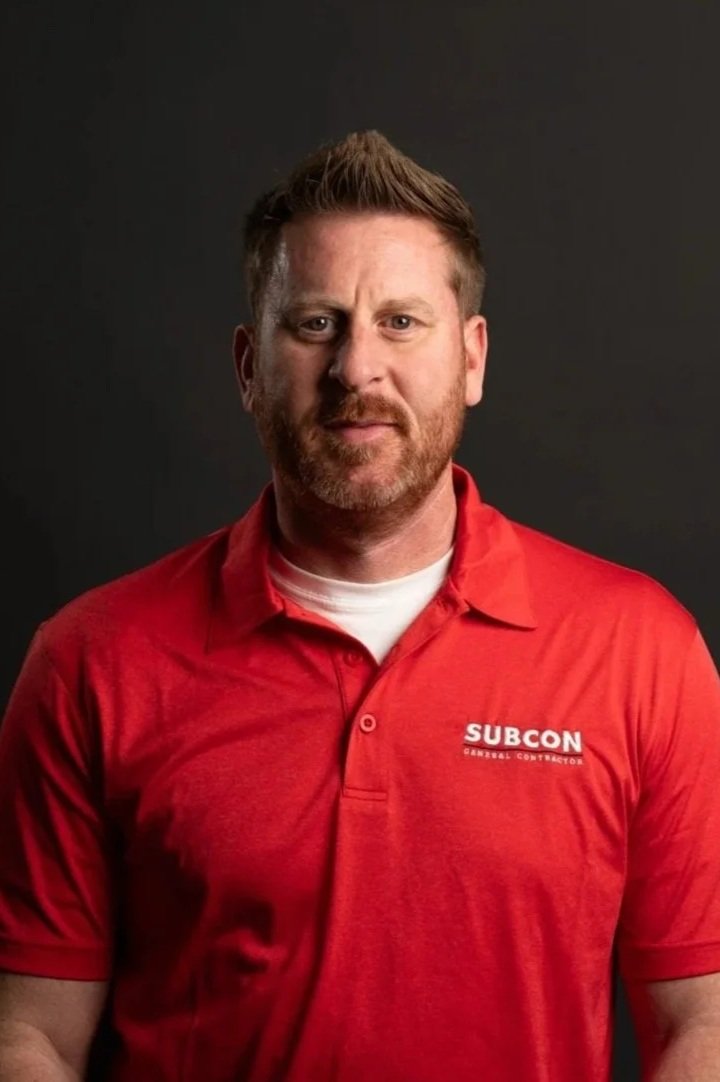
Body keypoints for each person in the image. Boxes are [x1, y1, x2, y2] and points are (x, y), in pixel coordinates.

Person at [1, 130, 719, 1082]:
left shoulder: (638, 649)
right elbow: (30, 1035)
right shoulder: (91, 660)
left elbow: (702, 1023)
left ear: (472, 358)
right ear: (249, 366)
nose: (356, 369)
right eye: (315, 324)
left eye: (402, 322)